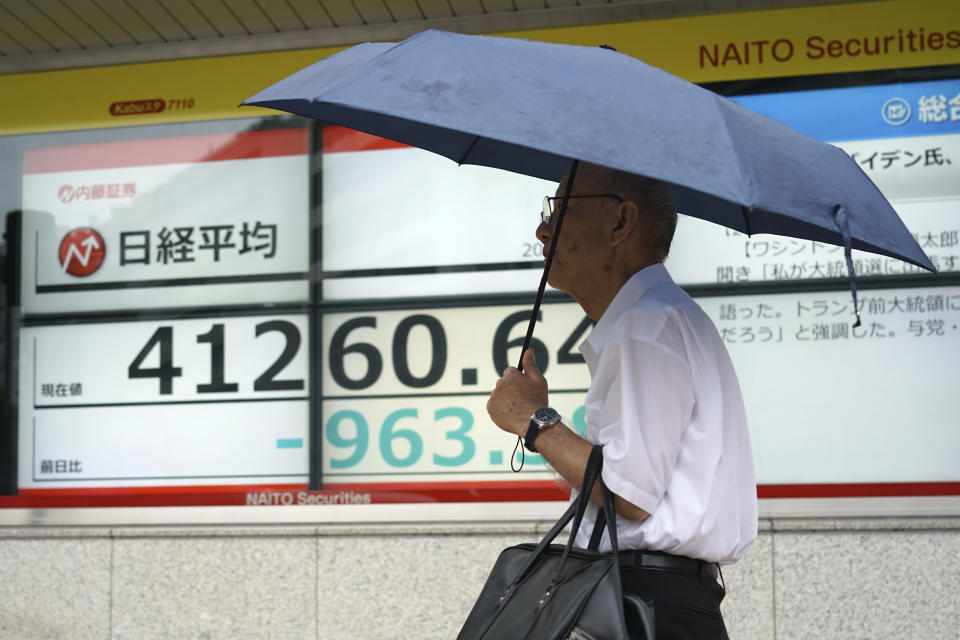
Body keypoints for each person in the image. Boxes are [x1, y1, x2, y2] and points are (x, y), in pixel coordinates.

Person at [486, 161, 758, 640]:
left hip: (643, 603)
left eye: (560, 208)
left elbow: (625, 493)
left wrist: (536, 421)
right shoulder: (661, 318)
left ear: (620, 222)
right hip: (657, 598)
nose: (542, 228)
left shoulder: (646, 325)